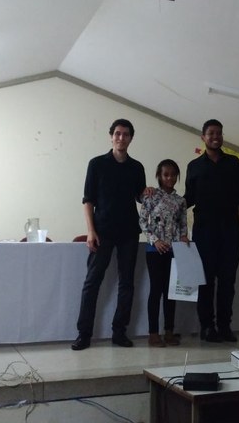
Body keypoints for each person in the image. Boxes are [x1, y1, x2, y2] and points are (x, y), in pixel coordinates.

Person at [72, 119, 146, 351]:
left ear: (131, 138)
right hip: (102, 232)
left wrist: (149, 193)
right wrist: (90, 231)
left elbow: (141, 197)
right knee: (92, 282)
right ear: (111, 136)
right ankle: (84, 334)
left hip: (129, 232)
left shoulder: (137, 167)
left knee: (127, 284)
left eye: (126, 134)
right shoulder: (96, 164)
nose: (121, 138)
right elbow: (88, 200)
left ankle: (119, 332)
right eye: (117, 133)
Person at [184, 119, 239, 342]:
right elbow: (189, 198)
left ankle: (225, 326)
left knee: (227, 280)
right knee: (205, 280)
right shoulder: (194, 166)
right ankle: (207, 327)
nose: (216, 137)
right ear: (203, 137)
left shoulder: (234, 163)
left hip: (230, 230)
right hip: (204, 231)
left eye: (219, 133)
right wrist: (167, 200)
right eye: (211, 133)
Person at [139, 159, 189, 347]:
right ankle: (153, 334)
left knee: (171, 292)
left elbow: (182, 223)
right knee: (156, 290)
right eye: (166, 174)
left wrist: (183, 236)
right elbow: (142, 222)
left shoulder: (180, 200)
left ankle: (169, 332)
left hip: (174, 251)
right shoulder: (150, 196)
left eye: (173, 174)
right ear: (159, 176)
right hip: (154, 250)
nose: (170, 178)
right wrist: (155, 240)